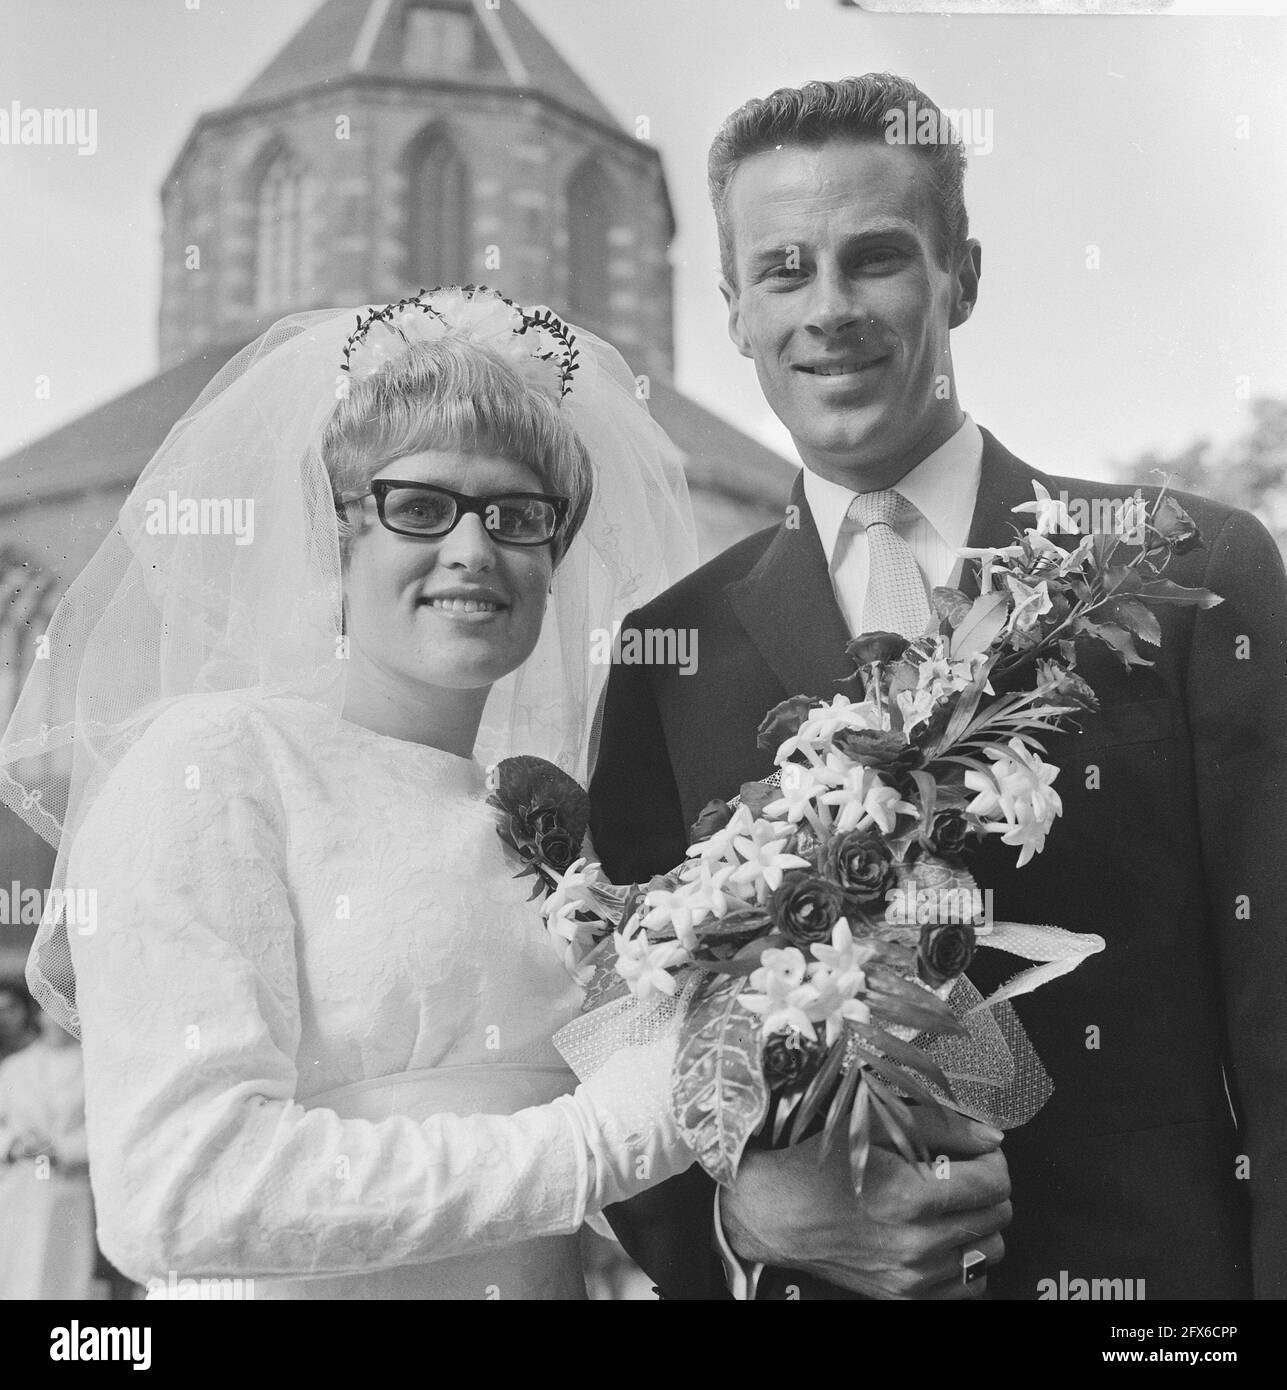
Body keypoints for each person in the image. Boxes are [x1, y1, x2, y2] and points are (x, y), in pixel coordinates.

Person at [589, 74, 1287, 1300]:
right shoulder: (669, 652)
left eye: (877, 259)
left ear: (960, 274)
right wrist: (747, 1227)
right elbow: (631, 1041)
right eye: (785, 271)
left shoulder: (1189, 568)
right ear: (737, 312)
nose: (829, 311)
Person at [0, 288, 706, 1300]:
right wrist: (588, 1145)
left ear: (554, 559)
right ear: (338, 538)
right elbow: (180, 1191)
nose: (473, 550)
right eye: (419, 508)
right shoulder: (216, 763)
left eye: (517, 517)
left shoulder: (547, 834)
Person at [0, 1004, 95, 1299]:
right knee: (17, 1267)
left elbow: (103, 1127)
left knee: (62, 1272)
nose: (55, 1020)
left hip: (67, 1183)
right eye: (47, 1011)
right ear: (37, 1015)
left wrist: (61, 1149)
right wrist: (13, 1143)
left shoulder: (92, 1065)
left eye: (63, 1011)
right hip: (22, 1185)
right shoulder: (15, 1066)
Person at [0, 979, 37, 1065]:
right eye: (0, 1011)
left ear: (27, 1007)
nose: (6, 1016)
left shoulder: (48, 1042)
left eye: (12, 1008)